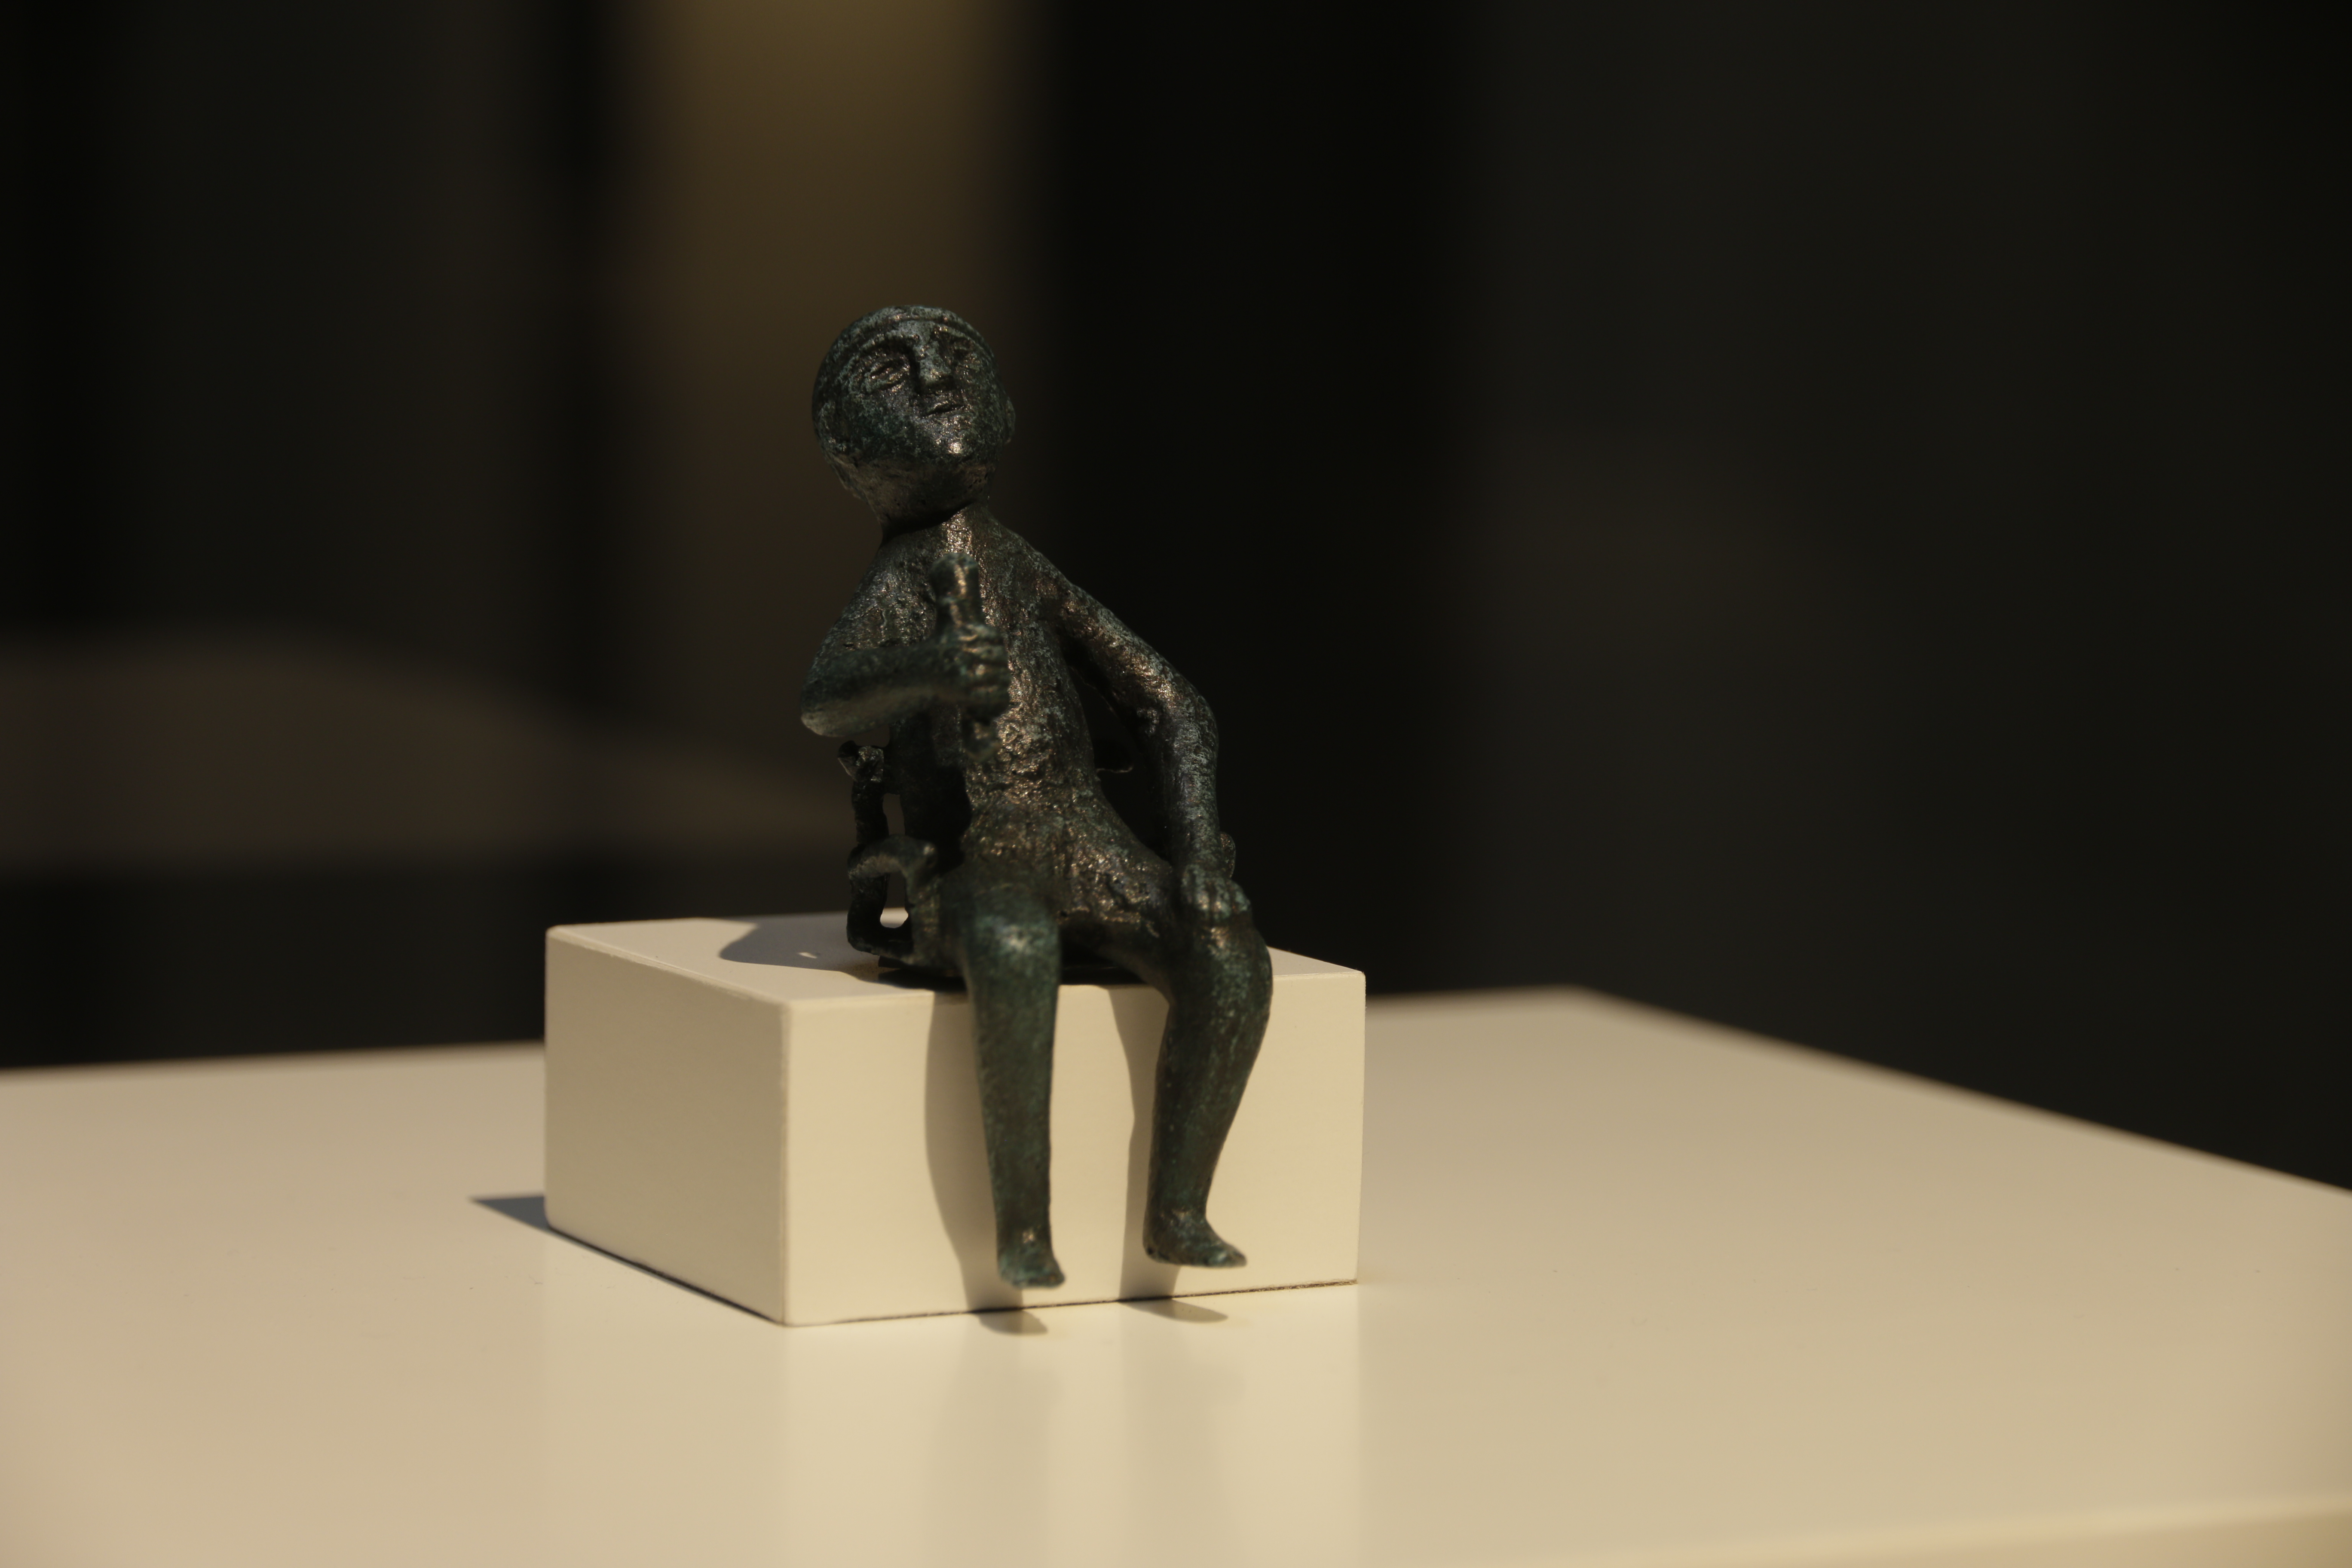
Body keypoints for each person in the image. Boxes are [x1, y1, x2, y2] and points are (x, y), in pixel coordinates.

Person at [800, 305, 1271, 1289]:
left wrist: (1194, 852)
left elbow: (1171, 703)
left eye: (956, 359)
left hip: (1090, 845)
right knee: (1014, 946)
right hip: (981, 859)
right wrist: (928, 668)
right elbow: (824, 701)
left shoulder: (1015, 565)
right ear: (845, 452)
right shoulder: (905, 578)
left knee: (1226, 950)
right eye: (892, 372)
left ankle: (1179, 1210)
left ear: (1007, 410)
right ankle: (1023, 1229)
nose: (936, 380)